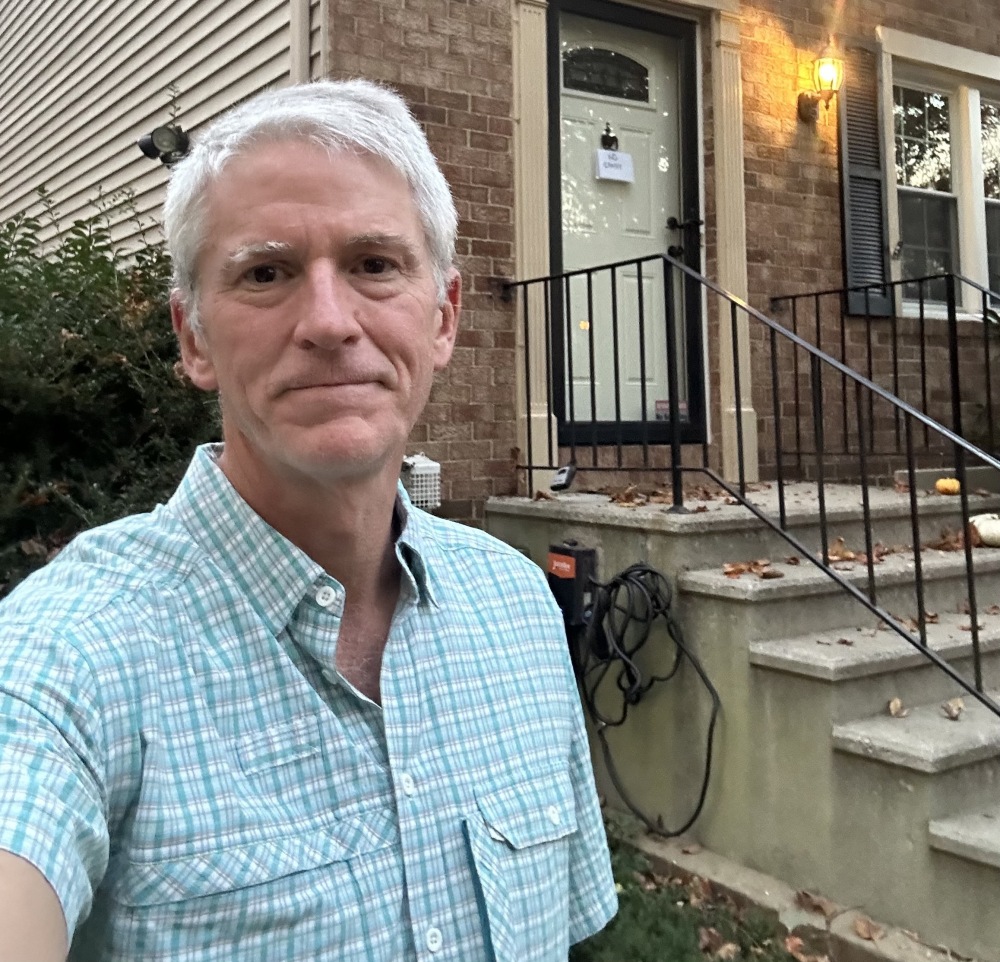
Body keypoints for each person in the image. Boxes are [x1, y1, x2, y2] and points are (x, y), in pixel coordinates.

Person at [0, 80, 617, 961]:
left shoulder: (518, 607)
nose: (329, 323)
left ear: (441, 318)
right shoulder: (70, 656)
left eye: (374, 265)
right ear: (194, 339)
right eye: (266, 273)